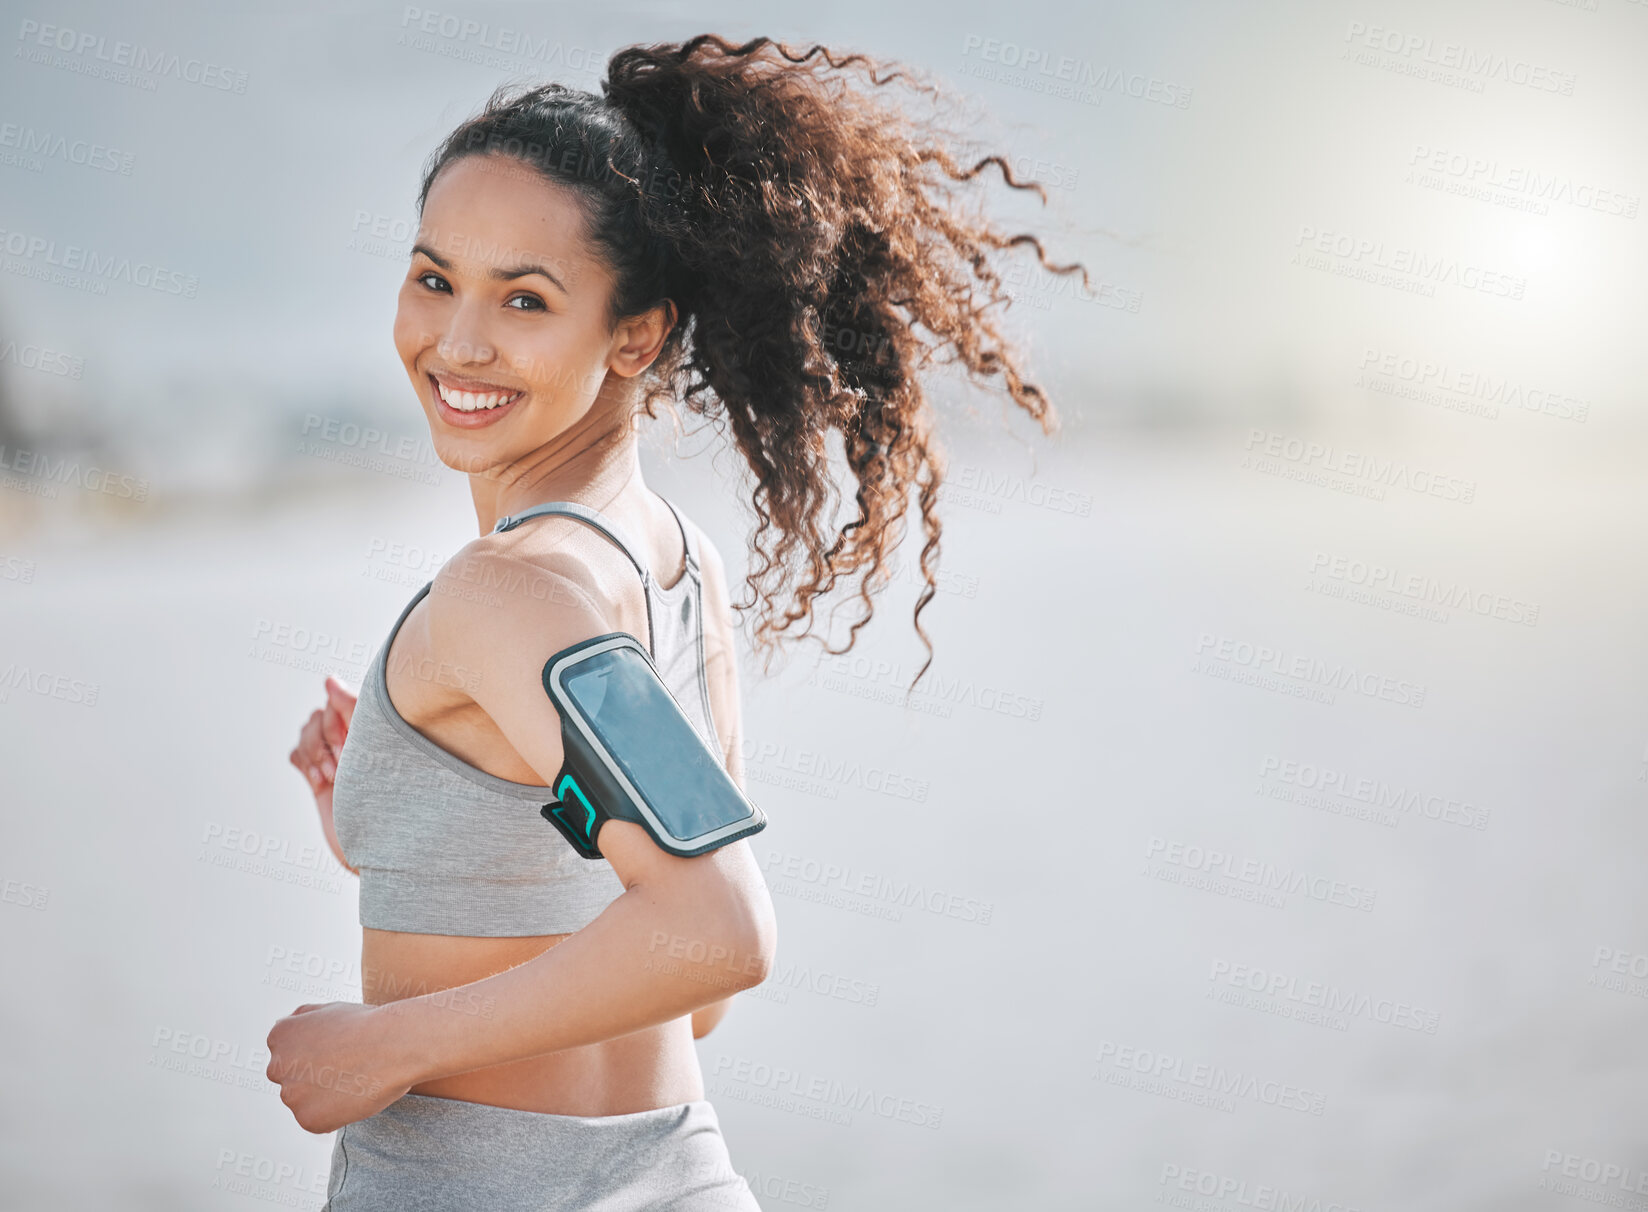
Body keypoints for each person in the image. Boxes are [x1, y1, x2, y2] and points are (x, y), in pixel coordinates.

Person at [270, 33, 1080, 1210]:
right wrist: (403, 825)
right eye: (435, 277)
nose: (457, 341)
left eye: (526, 298)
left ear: (636, 336)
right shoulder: (672, 568)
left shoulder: (505, 590)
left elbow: (713, 935)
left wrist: (382, 1045)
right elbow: (683, 985)